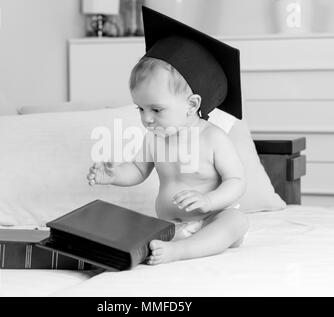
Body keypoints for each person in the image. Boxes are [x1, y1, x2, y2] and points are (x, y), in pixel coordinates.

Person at [86, 6, 249, 265]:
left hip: (211, 218)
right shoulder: (154, 138)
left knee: (236, 221)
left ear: (192, 105)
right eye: (140, 108)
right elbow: (138, 170)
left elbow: (236, 181)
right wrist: (114, 175)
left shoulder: (213, 138)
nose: (146, 118)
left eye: (156, 109)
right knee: (139, 228)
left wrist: (208, 201)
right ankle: (175, 244)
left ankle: (181, 252)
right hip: (170, 225)